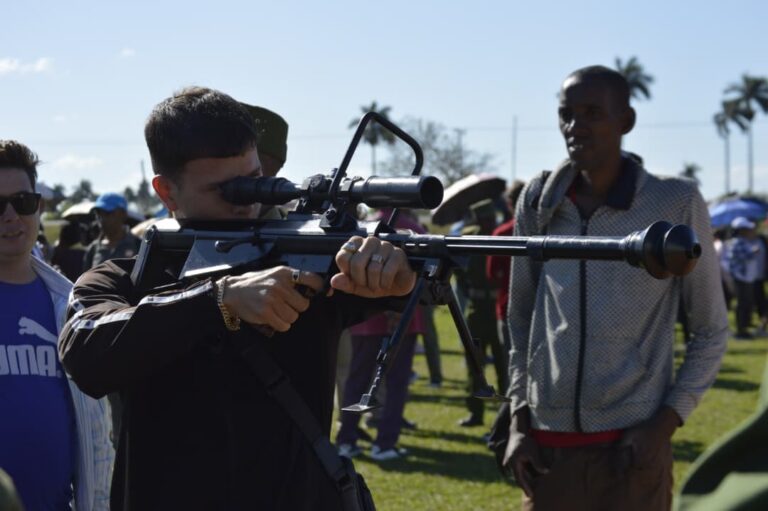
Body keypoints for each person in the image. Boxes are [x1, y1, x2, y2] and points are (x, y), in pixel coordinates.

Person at [58, 87, 417, 510]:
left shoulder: (307, 260)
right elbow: (85, 352)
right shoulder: (122, 280)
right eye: (225, 190)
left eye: (254, 181)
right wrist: (217, 302)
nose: (248, 201)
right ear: (166, 192)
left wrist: (401, 275)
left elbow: (425, 280)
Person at [503, 66, 728, 511]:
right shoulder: (538, 202)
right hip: (547, 451)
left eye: (591, 113)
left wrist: (664, 424)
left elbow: (711, 330)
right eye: (566, 114)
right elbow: (520, 320)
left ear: (626, 121)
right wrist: (517, 422)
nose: (575, 126)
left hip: (631, 451)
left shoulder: (674, 202)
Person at [0, 139, 113, 511]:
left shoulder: (70, 306)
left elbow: (97, 440)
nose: (11, 216)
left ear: (39, 206)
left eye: (23, 202)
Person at [336, 208, 425, 461]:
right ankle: (384, 443)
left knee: (356, 381)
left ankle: (346, 439)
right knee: (396, 384)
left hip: (363, 320)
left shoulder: (362, 227)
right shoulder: (413, 230)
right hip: (402, 320)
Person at [456, 199, 508, 427]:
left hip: (484, 307)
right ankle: (486, 413)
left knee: (488, 365)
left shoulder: (475, 237)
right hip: (486, 307)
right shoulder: (493, 236)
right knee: (488, 364)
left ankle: (493, 414)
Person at [487, 180, 525, 356]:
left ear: (510, 203)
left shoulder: (502, 234)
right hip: (542, 309)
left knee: (513, 363)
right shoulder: (545, 231)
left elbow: (492, 275)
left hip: (508, 307)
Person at [83, 193, 141, 271]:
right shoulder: (93, 249)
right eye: (98, 214)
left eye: (107, 213)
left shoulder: (139, 246)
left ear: (123, 214)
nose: (102, 219)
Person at [728, 216, 762, 339]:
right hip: (741, 278)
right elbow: (743, 257)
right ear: (741, 230)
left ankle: (744, 328)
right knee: (742, 304)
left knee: (747, 303)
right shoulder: (738, 242)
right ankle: (741, 331)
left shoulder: (743, 241)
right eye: (747, 229)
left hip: (745, 278)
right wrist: (754, 252)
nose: (750, 231)